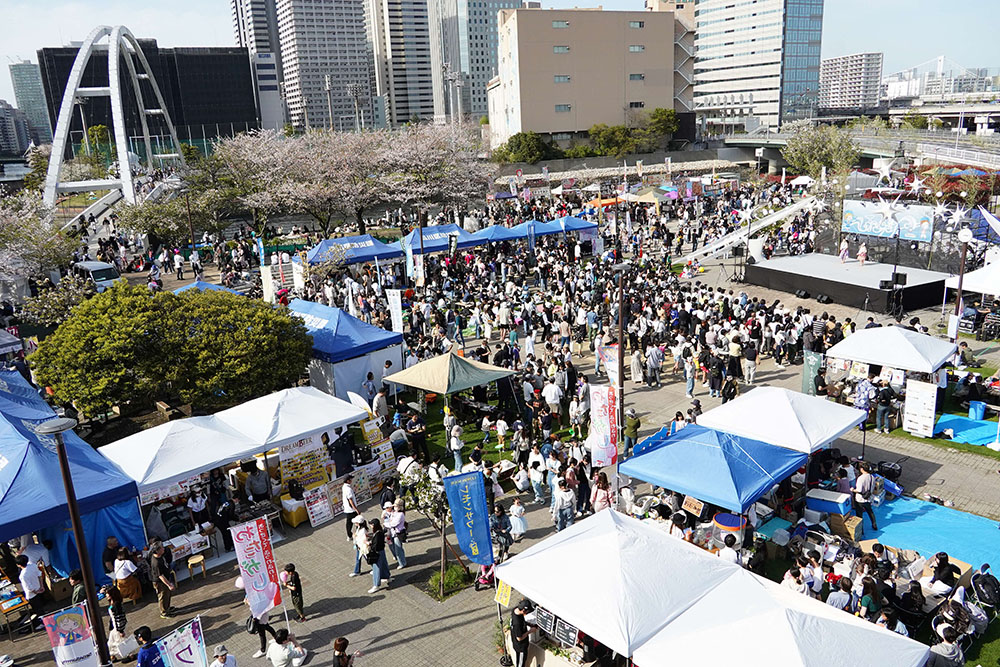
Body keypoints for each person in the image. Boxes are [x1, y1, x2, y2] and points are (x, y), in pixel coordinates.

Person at [366, 518, 391, 594]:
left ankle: (376, 585)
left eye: (371, 524)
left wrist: (369, 544)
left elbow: (375, 545)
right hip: (382, 550)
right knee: (384, 564)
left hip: (377, 552)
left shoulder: (377, 534)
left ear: (373, 525)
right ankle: (386, 576)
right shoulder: (380, 531)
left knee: (376, 568)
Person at [853, 462, 878, 531]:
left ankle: (861, 530)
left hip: (860, 499)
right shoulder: (872, 477)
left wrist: (853, 490)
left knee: (859, 515)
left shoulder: (861, 478)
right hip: (868, 498)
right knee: (870, 512)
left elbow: (859, 490)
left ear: (862, 469)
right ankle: (874, 524)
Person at [511, 599, 535, 667]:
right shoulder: (517, 624)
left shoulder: (515, 610)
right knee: (521, 664)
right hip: (520, 647)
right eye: (527, 611)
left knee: (519, 660)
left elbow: (522, 620)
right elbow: (519, 638)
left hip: (516, 643)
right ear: (523, 611)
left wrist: (528, 624)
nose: (527, 613)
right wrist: (530, 631)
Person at [384, 499, 407, 570]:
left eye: (395, 506)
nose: (394, 507)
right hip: (393, 532)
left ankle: (402, 563)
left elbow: (393, 524)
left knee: (398, 549)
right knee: (393, 546)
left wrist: (387, 523)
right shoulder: (395, 513)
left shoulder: (400, 515)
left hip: (398, 533)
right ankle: (400, 560)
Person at [343, 475, 360, 541]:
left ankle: (349, 535)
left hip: (347, 509)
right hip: (351, 509)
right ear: (348, 480)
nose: (351, 480)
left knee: (349, 523)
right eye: (350, 479)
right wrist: (356, 509)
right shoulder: (348, 489)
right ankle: (357, 534)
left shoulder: (344, 487)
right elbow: (350, 500)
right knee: (357, 521)